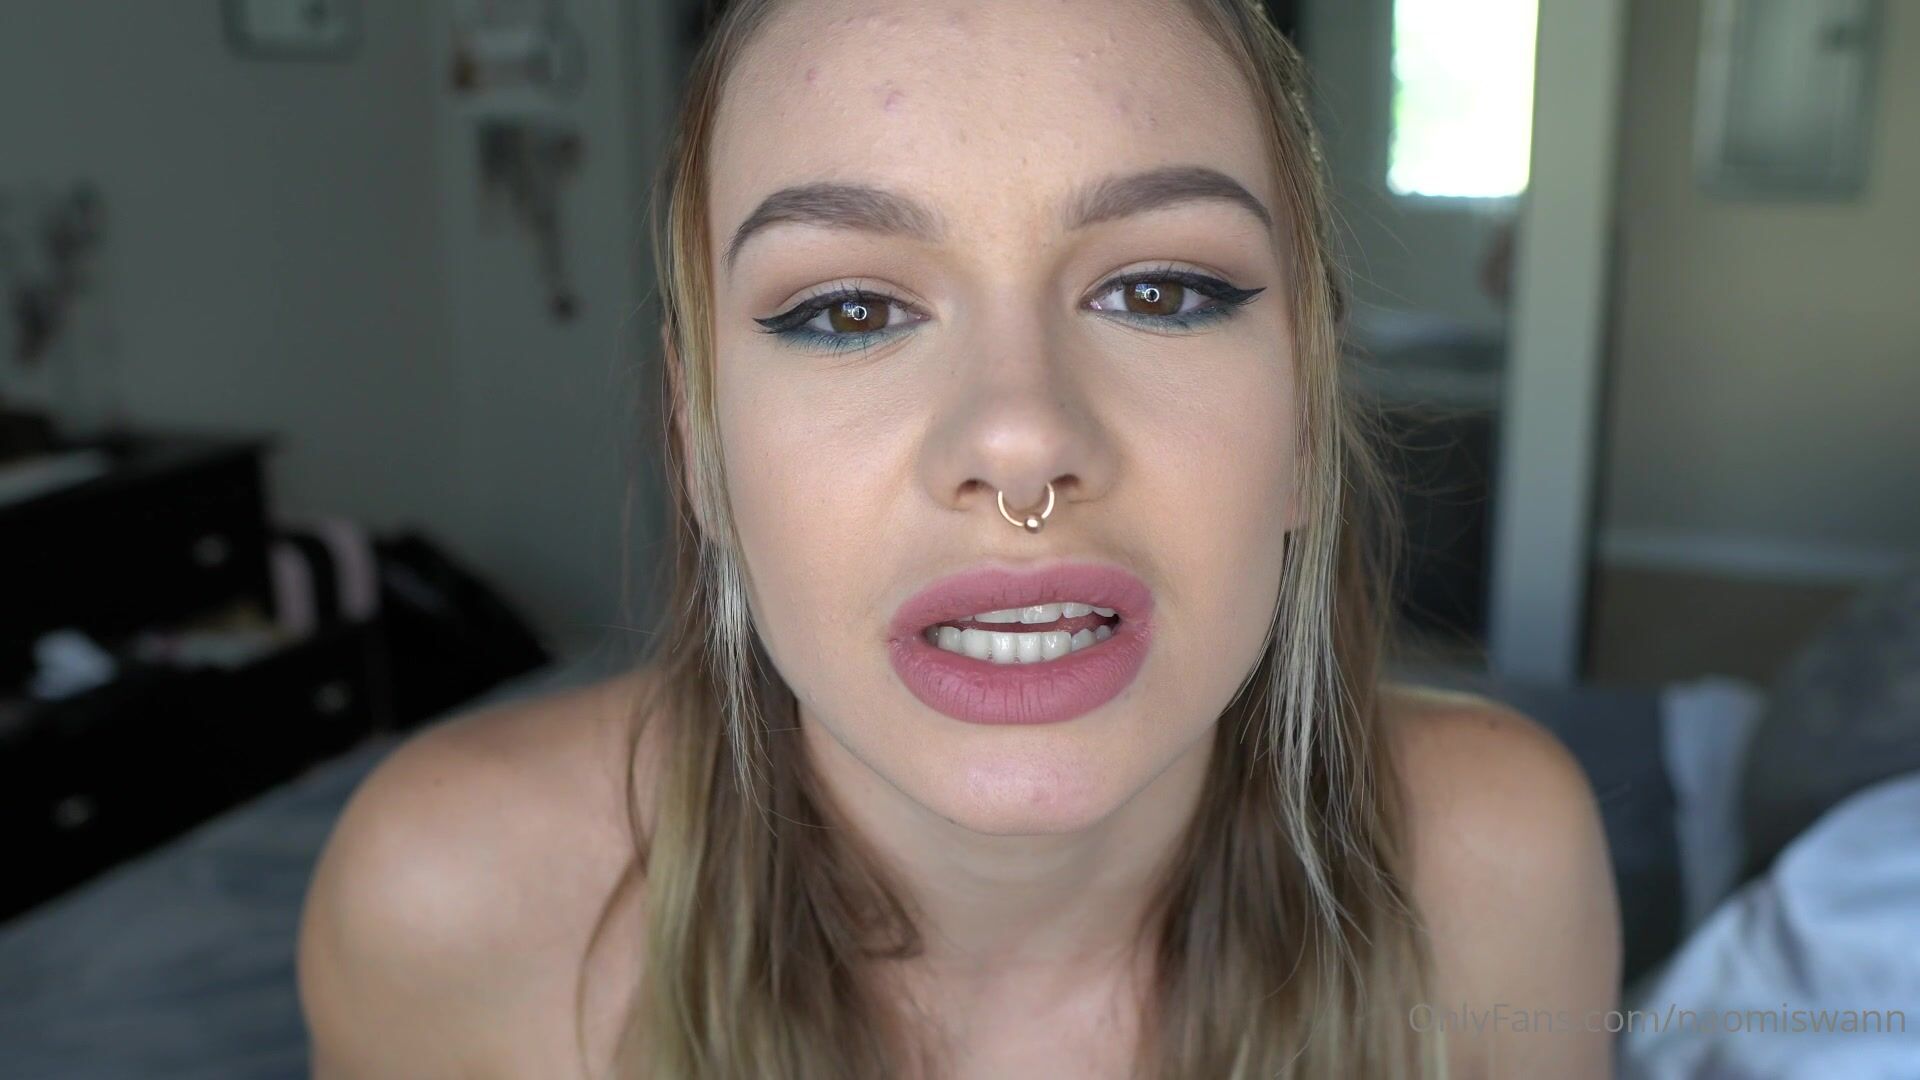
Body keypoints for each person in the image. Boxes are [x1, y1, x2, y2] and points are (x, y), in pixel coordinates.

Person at [295, 1, 1620, 1075]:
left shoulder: (1498, 872)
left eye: (1161, 291)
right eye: (849, 312)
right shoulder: (445, 902)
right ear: (700, 448)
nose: (1019, 436)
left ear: (1307, 419)